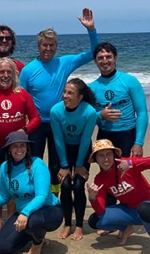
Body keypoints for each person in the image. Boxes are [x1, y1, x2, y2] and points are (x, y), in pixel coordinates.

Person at [19, 7, 99, 196]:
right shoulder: (29, 70)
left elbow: (92, 54)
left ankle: (54, 198)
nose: (48, 49)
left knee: (56, 165)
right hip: (37, 124)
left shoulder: (65, 63)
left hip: (59, 123)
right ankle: (35, 196)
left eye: (52, 45)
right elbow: (22, 99)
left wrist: (91, 30)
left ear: (56, 46)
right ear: (38, 46)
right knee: (35, 162)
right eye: (44, 45)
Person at [88, 42, 149, 235]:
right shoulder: (93, 87)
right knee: (108, 178)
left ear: (115, 58)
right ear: (96, 61)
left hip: (128, 135)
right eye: (100, 58)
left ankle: (133, 219)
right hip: (105, 137)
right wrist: (100, 116)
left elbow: (142, 112)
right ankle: (115, 220)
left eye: (108, 57)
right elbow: (88, 116)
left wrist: (138, 142)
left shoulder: (129, 81)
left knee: (129, 179)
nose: (104, 61)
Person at [0, 131, 62, 254]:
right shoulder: (4, 167)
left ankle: (37, 244)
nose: (19, 149)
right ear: (9, 149)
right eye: (15, 146)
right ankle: (33, 235)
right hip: (24, 215)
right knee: (3, 247)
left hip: (49, 211)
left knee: (34, 221)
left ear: (27, 147)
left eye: (22, 145)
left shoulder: (37, 164)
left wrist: (25, 213)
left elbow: (42, 196)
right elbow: (4, 197)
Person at [0, 57, 40, 236]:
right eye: (1, 72)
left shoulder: (22, 93)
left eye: (9, 72)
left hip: (17, 149)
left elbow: (36, 118)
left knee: (15, 184)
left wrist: (24, 129)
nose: (5, 75)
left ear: (14, 74)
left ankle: (11, 219)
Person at [86, 139, 150, 254]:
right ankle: (127, 228)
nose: (105, 159)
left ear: (114, 155)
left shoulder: (126, 163)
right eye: (101, 156)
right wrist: (93, 198)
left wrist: (131, 163)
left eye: (108, 154)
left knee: (143, 208)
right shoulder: (100, 178)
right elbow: (100, 211)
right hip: (131, 211)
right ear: (95, 159)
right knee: (95, 221)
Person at [49, 78, 97, 240]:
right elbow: (58, 140)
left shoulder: (89, 112)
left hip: (82, 150)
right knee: (65, 185)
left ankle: (79, 226)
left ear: (80, 97)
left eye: (70, 93)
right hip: (63, 149)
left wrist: (79, 165)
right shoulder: (56, 111)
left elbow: (85, 140)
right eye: (64, 92)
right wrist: (64, 165)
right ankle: (67, 224)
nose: (65, 96)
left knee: (77, 185)